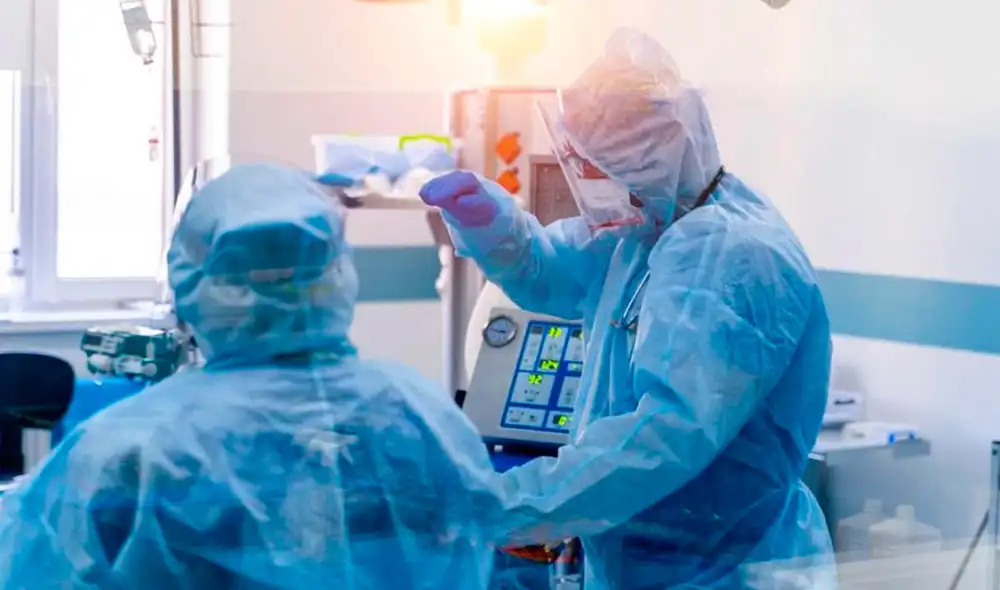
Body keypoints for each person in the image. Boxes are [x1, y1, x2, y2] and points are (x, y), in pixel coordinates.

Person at [420, 28, 836, 589]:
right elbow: (551, 273)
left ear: (645, 159)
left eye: (598, 166)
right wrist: (491, 224)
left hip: (725, 569)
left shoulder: (731, 255)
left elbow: (662, 438)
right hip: (644, 558)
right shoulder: (647, 230)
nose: (589, 183)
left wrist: (513, 503)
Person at [0, 163, 506, 589]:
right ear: (336, 274)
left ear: (194, 281)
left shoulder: (128, 450)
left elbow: (39, 566)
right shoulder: (423, 417)